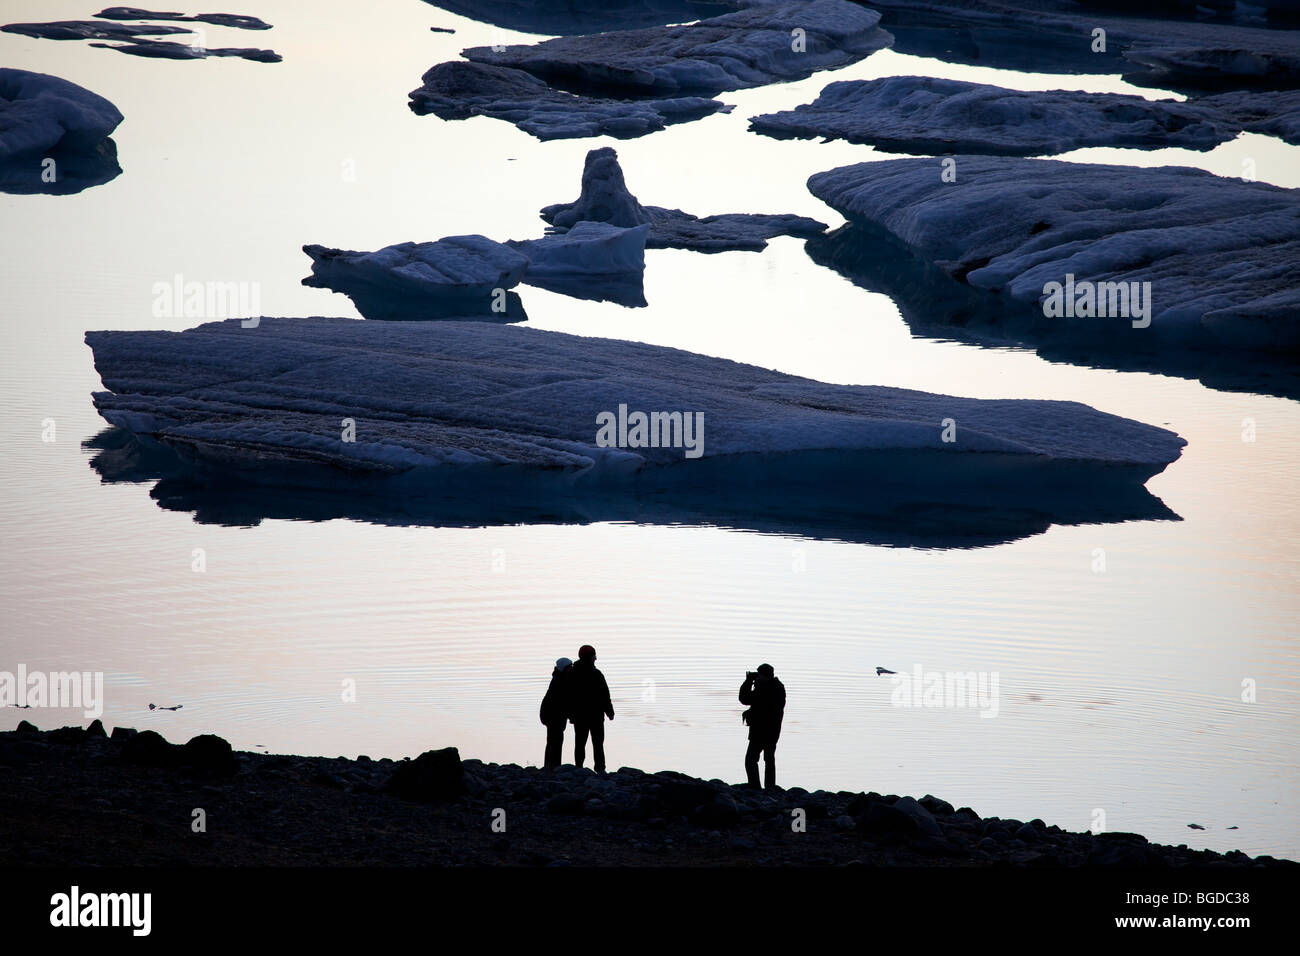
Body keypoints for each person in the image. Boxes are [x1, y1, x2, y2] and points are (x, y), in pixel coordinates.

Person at [739, 663, 785, 790]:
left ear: (765, 676)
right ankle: (769, 788)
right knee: (769, 759)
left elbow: (744, 698)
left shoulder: (765, 689)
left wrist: (748, 681)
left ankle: (755, 787)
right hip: (773, 731)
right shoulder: (778, 687)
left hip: (760, 732)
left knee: (751, 760)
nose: (757, 677)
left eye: (759, 675)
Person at [569, 644, 614, 773]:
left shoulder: (572, 673)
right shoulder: (597, 674)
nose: (596, 659)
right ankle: (600, 769)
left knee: (580, 742)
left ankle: (578, 768)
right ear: (590, 657)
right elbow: (605, 695)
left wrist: (571, 715)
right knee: (598, 744)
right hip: (595, 716)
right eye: (594, 656)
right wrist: (609, 712)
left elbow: (569, 696)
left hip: (579, 716)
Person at [540, 657, 574, 769]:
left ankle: (551, 765)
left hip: (553, 716)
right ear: (564, 668)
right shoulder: (559, 682)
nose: (571, 669)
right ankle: (552, 765)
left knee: (554, 740)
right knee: (555, 740)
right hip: (553, 716)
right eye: (569, 667)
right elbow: (562, 702)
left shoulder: (560, 679)